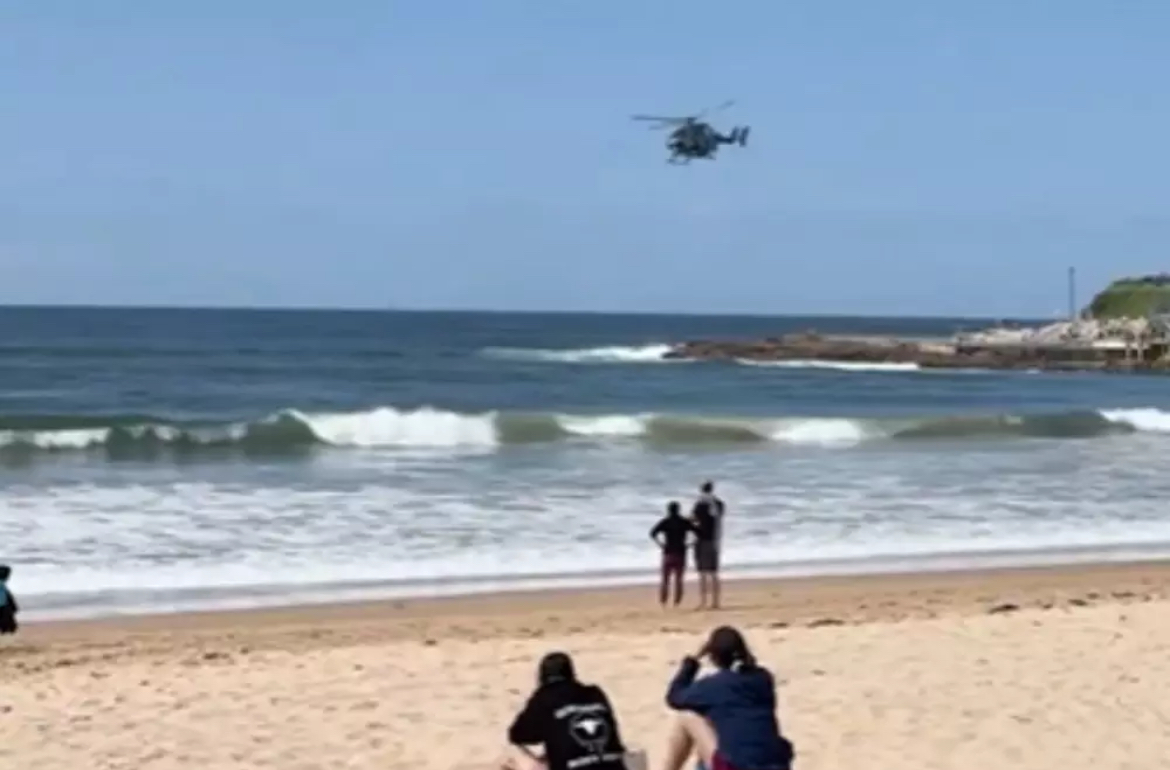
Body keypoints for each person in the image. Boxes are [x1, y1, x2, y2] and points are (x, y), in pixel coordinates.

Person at [662, 626, 794, 770]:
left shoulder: (714, 685)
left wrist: (692, 661)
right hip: (776, 765)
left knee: (687, 717)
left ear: (713, 656)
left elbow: (674, 697)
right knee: (714, 724)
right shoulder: (763, 678)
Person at [501, 651, 630, 770]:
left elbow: (517, 735)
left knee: (513, 760)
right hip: (613, 767)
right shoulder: (595, 694)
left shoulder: (545, 697)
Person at [650, 501, 696, 608]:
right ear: (679, 510)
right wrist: (691, 544)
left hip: (668, 552)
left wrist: (660, 544)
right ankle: (677, 602)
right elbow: (698, 533)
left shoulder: (665, 521)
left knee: (665, 579)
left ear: (668, 510)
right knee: (679, 580)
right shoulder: (684, 522)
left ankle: (663, 601)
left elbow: (652, 533)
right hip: (681, 552)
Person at [690, 482, 725, 610]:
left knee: (702, 573)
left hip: (701, 540)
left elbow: (693, 520)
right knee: (714, 573)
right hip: (714, 539)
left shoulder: (700, 504)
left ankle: (703, 601)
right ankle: (715, 602)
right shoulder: (719, 504)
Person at [0, 564, 18, 635]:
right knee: (9, 626)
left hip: (4, 606)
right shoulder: (2, 585)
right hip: (3, 607)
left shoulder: (2, 584)